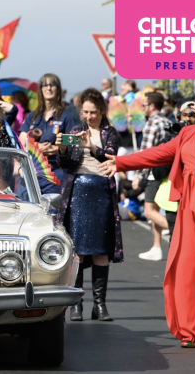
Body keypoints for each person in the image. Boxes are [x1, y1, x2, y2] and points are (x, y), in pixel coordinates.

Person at [99, 79, 195, 349]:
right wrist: (122, 162)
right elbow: (159, 153)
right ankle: (189, 330)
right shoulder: (187, 132)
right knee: (182, 267)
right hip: (188, 204)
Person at [55, 88, 122, 322]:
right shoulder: (75, 130)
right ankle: (77, 304)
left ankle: (100, 305)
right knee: (79, 252)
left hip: (102, 193)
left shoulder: (110, 132)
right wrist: (62, 148)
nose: (89, 116)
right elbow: (64, 164)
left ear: (102, 111)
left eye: (93, 112)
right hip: (78, 195)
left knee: (101, 251)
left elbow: (111, 157)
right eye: (85, 112)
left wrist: (91, 147)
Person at [17, 73, 77, 194]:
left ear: (58, 89)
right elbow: (21, 143)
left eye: (52, 85)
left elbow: (74, 143)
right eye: (45, 85)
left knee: (51, 212)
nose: (48, 88)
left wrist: (56, 149)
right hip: (30, 173)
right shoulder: (32, 117)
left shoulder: (66, 117)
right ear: (40, 89)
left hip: (54, 174)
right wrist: (37, 148)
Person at [135, 91, 172, 262]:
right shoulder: (167, 120)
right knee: (156, 209)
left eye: (144, 105)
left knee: (149, 211)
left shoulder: (152, 123)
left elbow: (146, 152)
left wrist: (138, 175)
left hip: (152, 172)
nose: (142, 108)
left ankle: (180, 231)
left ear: (151, 106)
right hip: (166, 170)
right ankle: (156, 247)